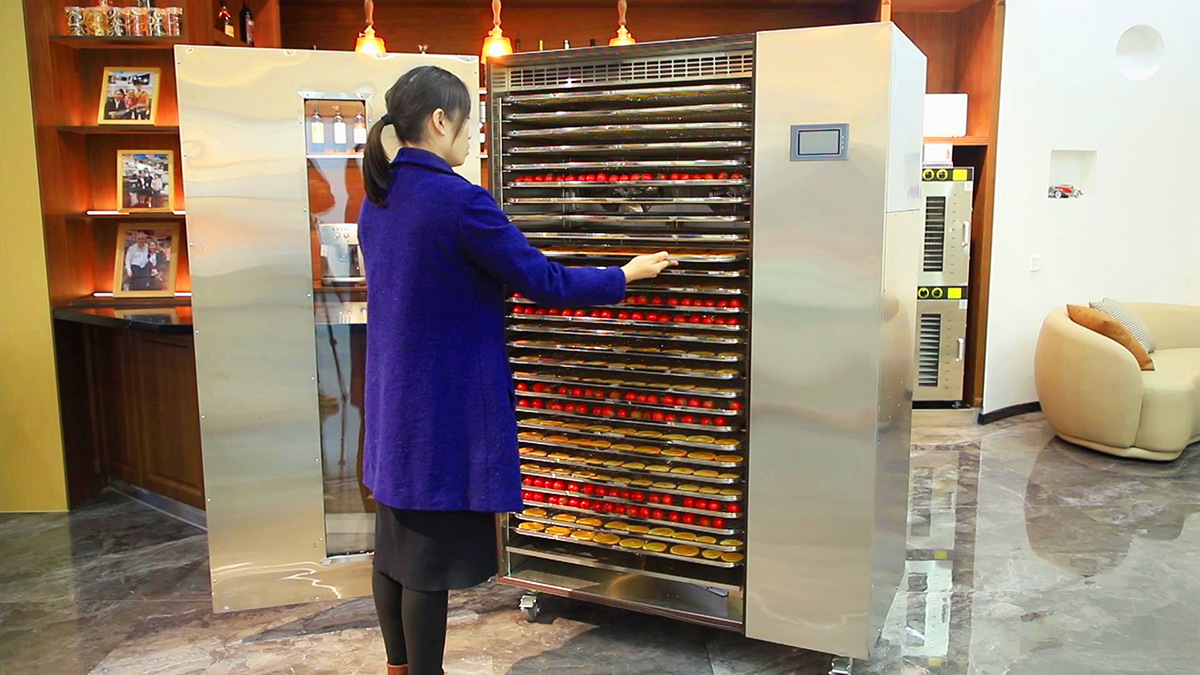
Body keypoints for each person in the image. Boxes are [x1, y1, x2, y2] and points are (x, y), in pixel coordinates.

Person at [358, 66, 675, 675]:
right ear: (440, 120)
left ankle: (398, 669)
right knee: (425, 562)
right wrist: (625, 275)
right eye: (470, 122)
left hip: (394, 400)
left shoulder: (380, 197)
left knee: (394, 549)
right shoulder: (456, 200)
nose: (474, 135)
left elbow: (430, 285)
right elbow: (543, 280)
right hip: (441, 408)